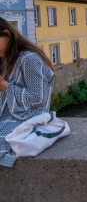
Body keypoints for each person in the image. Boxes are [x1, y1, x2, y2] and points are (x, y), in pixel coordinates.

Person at [0, 17, 55, 167]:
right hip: (8, 115)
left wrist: (4, 85)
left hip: (27, 117)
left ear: (7, 34)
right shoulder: (5, 58)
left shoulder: (29, 59)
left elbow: (38, 98)